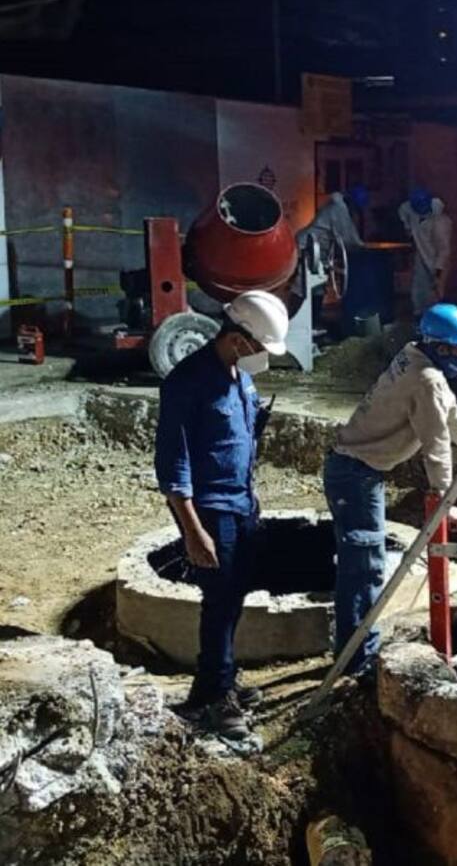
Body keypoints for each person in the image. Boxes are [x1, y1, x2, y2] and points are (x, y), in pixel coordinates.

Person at [323, 302, 457, 679]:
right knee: (364, 568)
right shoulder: (425, 379)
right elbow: (435, 441)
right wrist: (445, 497)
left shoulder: (417, 361)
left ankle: (355, 652)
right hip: (355, 475)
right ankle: (357, 662)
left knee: (364, 566)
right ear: (439, 346)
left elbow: (452, 413)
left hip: (356, 471)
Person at [155, 290, 290, 740]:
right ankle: (214, 702)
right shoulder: (186, 382)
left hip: (242, 504)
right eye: (257, 347)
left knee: (232, 599)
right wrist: (192, 531)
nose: (260, 357)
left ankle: (215, 683)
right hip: (211, 511)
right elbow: (173, 465)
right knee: (218, 602)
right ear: (235, 339)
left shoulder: (241, 378)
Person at [294, 186, 368, 320]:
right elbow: (347, 236)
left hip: (316, 250)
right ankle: (297, 320)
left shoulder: (337, 206)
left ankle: (312, 321)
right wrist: (361, 246)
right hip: (307, 247)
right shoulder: (339, 210)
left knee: (316, 286)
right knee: (303, 287)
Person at [397, 186, 453, 318]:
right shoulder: (410, 211)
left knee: (436, 295)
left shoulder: (440, 222)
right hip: (421, 257)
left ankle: (435, 322)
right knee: (418, 292)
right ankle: (418, 319)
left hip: (438, 262)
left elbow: (444, 250)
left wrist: (438, 274)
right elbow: (404, 214)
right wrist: (408, 229)